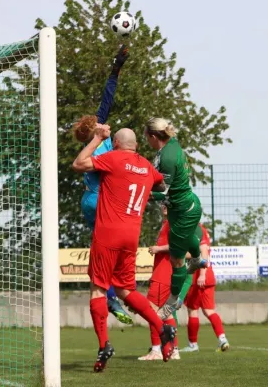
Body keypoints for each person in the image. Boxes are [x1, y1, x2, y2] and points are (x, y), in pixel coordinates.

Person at [72, 125, 176, 372]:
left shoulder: (112, 158)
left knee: (98, 288)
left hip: (108, 233)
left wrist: (98, 138)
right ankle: (163, 329)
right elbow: (161, 186)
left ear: (116, 144)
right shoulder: (147, 166)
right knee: (125, 289)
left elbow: (79, 163)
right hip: (131, 236)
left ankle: (104, 344)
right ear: (137, 146)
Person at [72, 45, 132, 325]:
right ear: (95, 128)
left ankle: (111, 297)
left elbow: (107, 97)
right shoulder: (101, 147)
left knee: (101, 253)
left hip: (89, 202)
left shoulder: (93, 143)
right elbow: (107, 99)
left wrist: (116, 67)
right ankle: (114, 296)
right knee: (111, 252)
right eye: (99, 122)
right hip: (101, 203)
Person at [144, 117, 207, 320]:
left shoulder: (168, 157)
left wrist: (139, 193)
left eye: (147, 137)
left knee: (177, 261)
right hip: (184, 208)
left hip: (183, 213)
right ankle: (197, 259)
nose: (146, 141)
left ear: (153, 137)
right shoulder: (171, 145)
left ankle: (173, 301)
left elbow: (164, 192)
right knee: (187, 240)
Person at [137, 204, 192, 361]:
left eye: (169, 203)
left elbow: (183, 250)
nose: (164, 205)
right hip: (162, 275)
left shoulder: (174, 224)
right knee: (166, 314)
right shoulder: (167, 224)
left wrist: (159, 249)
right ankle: (174, 350)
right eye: (163, 203)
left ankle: (156, 350)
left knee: (151, 311)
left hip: (164, 276)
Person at [180, 224, 230, 353]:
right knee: (209, 311)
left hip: (198, 276)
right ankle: (222, 339)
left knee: (193, 310)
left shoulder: (195, 228)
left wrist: (201, 274)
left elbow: (203, 251)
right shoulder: (200, 228)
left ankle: (193, 345)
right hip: (207, 276)